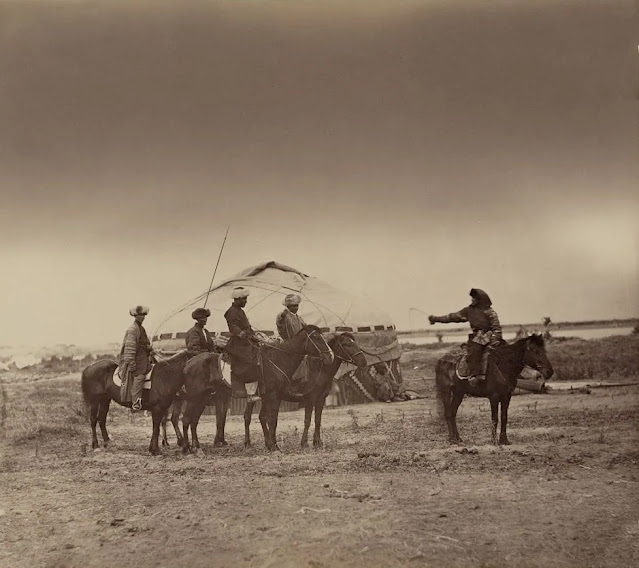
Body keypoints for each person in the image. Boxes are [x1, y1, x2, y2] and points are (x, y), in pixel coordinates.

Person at [428, 289, 502, 387]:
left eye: (474, 298)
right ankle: (474, 376)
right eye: (472, 298)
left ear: (479, 299)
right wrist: (436, 319)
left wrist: (495, 340)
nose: (472, 300)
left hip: (492, 337)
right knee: (475, 352)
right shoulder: (469, 311)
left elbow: (496, 328)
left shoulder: (490, 312)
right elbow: (452, 317)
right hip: (478, 338)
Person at [223, 287, 260, 400]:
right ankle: (249, 394)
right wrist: (240, 333)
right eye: (244, 299)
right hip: (238, 344)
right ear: (237, 299)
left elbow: (247, 327)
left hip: (246, 341)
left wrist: (255, 335)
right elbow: (232, 326)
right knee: (250, 362)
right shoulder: (232, 312)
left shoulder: (240, 311)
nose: (246, 301)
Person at [119, 305, 155, 411]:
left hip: (144, 359)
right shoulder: (132, 330)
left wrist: (149, 348)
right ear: (135, 316)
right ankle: (135, 402)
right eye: (139, 315)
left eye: (143, 315)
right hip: (136, 361)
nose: (142, 317)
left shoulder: (142, 329)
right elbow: (129, 349)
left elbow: (145, 343)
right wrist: (132, 365)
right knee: (139, 377)